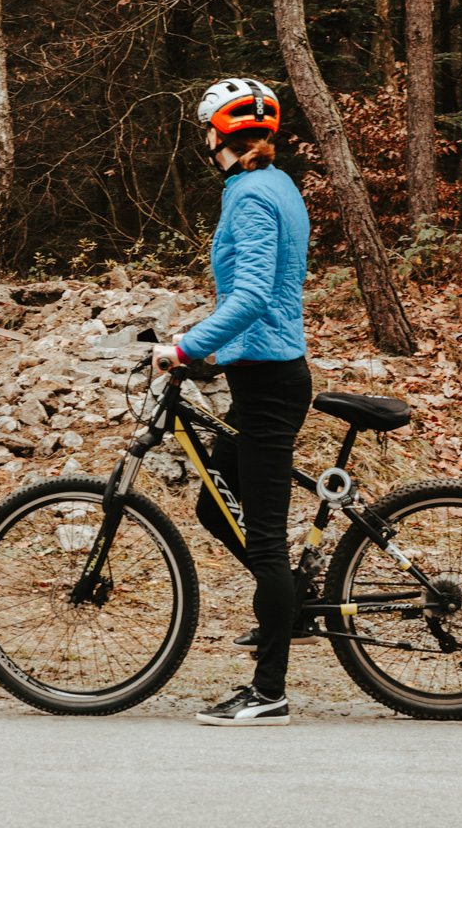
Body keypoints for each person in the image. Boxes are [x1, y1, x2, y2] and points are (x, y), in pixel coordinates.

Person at [152, 77, 312, 726]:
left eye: (206, 129)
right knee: (216, 508)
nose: (205, 139)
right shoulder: (277, 186)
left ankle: (269, 689)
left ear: (221, 133)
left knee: (266, 541)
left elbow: (249, 298)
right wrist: (216, 352)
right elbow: (268, 294)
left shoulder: (249, 196)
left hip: (270, 384)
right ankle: (289, 604)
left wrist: (186, 348)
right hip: (261, 372)